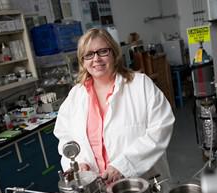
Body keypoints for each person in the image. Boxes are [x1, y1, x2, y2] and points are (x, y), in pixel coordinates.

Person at [54, 28, 175, 184]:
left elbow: (161, 128)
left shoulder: (140, 85)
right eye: (89, 55)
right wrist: (78, 162)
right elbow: (65, 136)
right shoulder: (76, 96)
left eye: (102, 51)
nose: (96, 59)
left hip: (141, 187)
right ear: (83, 61)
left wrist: (124, 166)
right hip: (96, 189)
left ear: (114, 53)